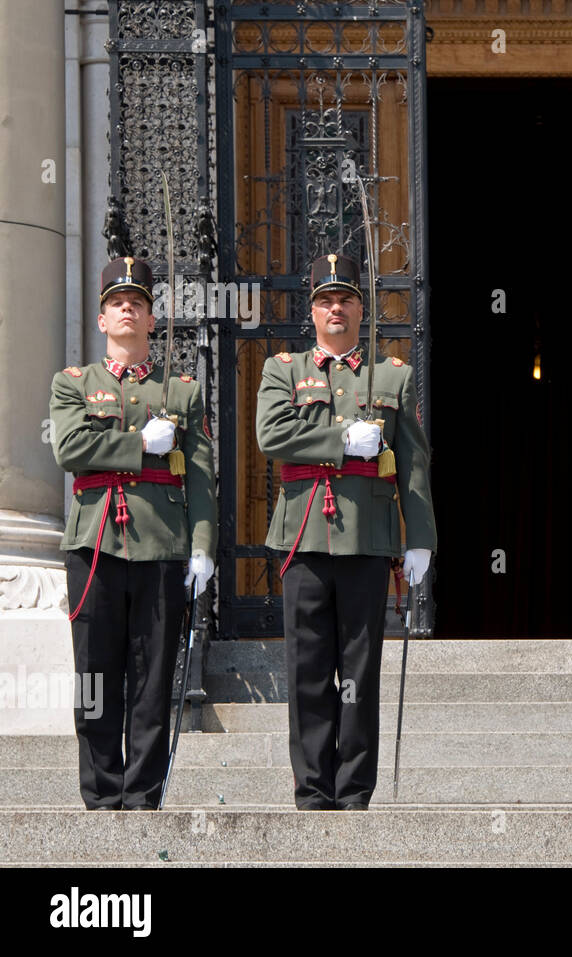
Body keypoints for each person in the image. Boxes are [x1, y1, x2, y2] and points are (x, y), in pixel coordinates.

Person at [256, 253, 436, 810]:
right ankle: (312, 789)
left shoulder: (393, 376)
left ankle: (354, 789)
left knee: (360, 671)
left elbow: (414, 462)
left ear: (363, 307)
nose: (337, 308)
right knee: (308, 671)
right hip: (304, 534)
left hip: (366, 537)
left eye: (347, 299)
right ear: (312, 311)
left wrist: (421, 536)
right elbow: (270, 434)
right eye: (326, 300)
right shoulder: (282, 370)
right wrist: (340, 441)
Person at [50, 256, 216, 810]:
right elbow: (69, 448)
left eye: (138, 303)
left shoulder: (182, 392)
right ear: (102, 321)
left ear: (150, 320)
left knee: (151, 679)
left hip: (161, 546)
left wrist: (202, 548)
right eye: (117, 303)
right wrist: (140, 445)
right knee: (95, 675)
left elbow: (201, 478)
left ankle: (143, 796)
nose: (127, 310)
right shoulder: (73, 384)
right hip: (93, 545)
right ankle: (100, 796)